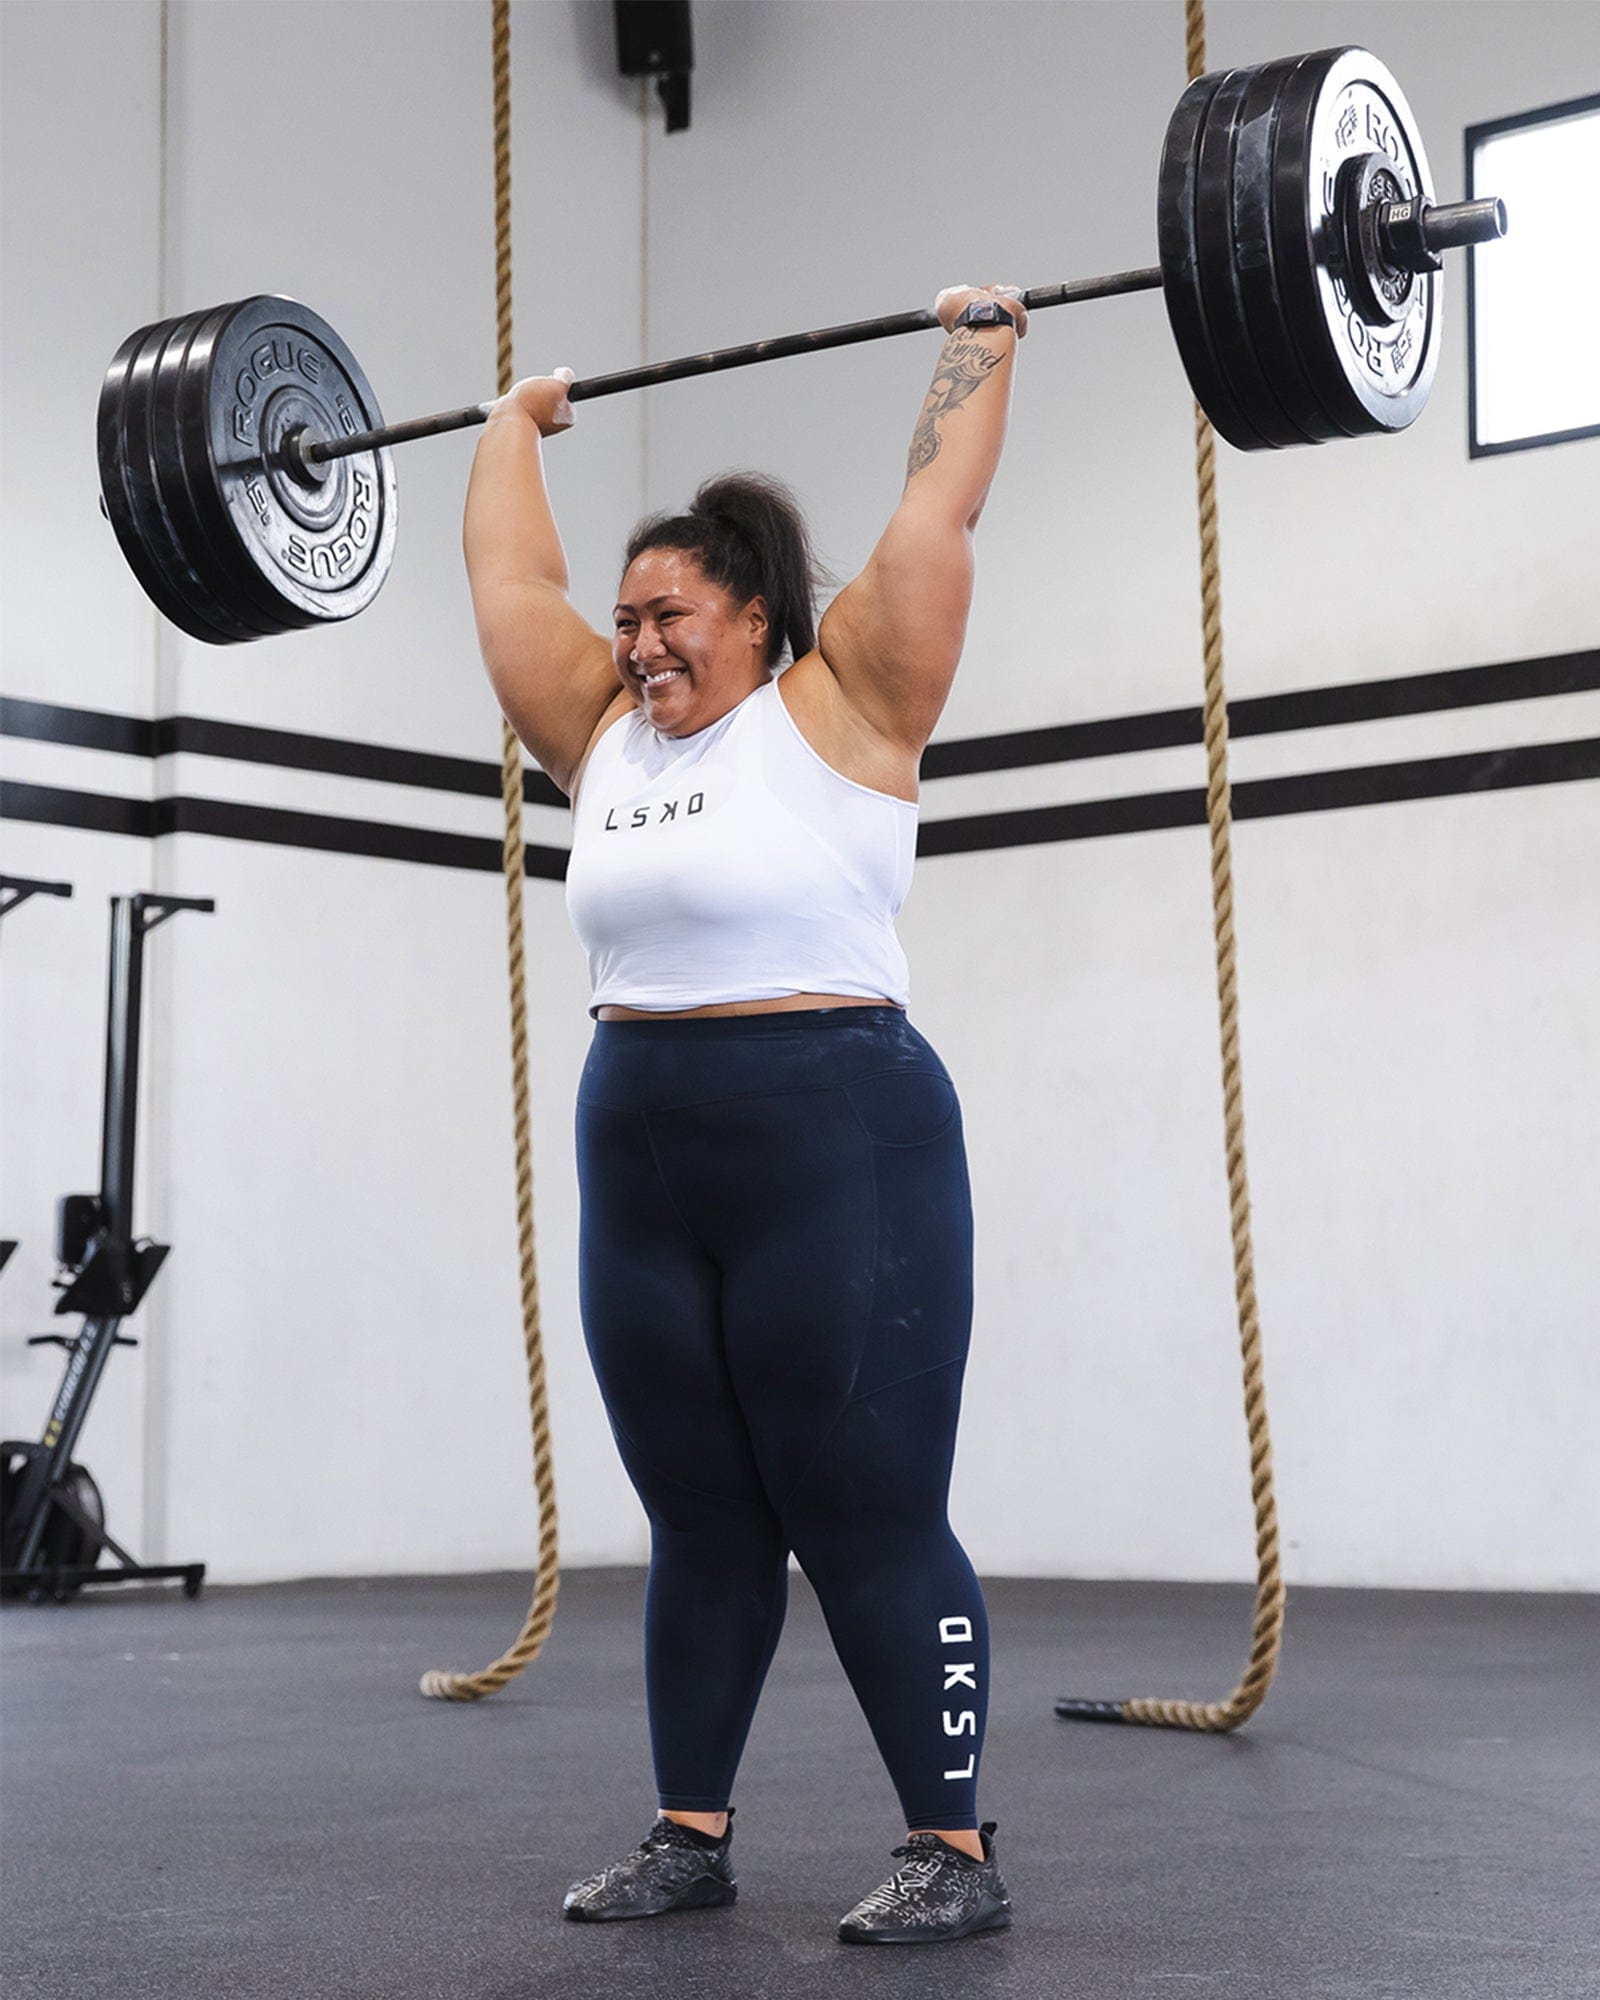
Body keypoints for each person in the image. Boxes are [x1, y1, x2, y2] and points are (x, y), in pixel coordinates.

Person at [463, 282, 1027, 1947]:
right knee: (699, 1511)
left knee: (862, 1504)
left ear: (756, 607)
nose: (636, 644)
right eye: (627, 618)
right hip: (640, 1151)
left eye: (669, 614)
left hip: (835, 1142)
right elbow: (511, 580)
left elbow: (941, 504)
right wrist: (513, 425)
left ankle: (954, 1849)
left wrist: (980, 341)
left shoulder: (845, 703)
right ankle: (689, 1831)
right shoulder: (603, 746)